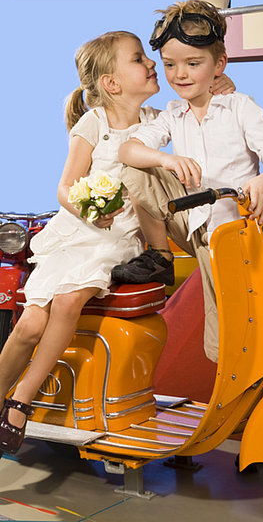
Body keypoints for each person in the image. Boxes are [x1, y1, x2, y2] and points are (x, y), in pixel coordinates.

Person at [0, 30, 234, 455]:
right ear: (111, 83)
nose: (151, 65)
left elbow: (203, 109)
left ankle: (20, 402)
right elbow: (66, 186)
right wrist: (89, 211)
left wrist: (221, 87)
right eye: (139, 58)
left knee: (70, 302)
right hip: (80, 232)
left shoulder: (157, 120)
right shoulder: (94, 123)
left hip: (120, 237)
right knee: (31, 324)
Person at [111, 0, 263, 363]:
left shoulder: (240, 106)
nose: (180, 74)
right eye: (169, 65)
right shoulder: (173, 114)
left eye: (193, 64)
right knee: (137, 168)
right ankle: (161, 254)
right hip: (193, 225)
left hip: (236, 233)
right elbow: (128, 151)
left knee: (232, 333)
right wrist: (167, 157)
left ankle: (258, 398)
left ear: (219, 65)